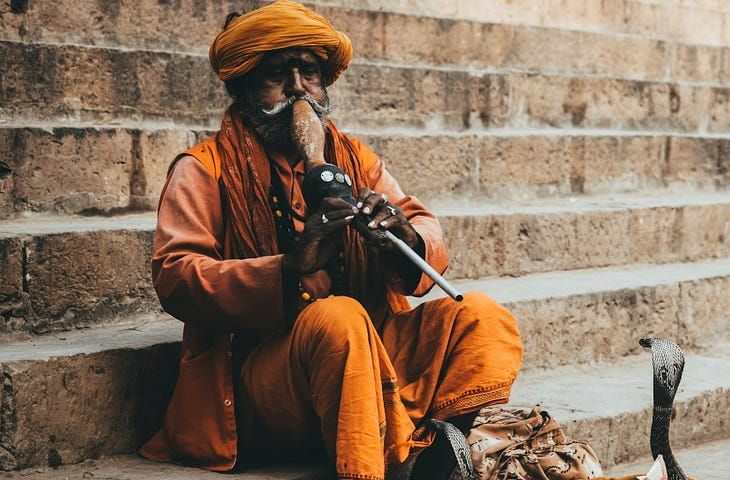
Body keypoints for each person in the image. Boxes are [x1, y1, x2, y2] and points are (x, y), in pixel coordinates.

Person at [138, 2, 523, 479]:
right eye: (278, 74)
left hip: (371, 360)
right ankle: (384, 464)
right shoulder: (204, 168)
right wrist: (291, 264)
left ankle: (445, 455)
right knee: (338, 318)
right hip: (269, 386)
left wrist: (399, 233)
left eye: (310, 73)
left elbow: (425, 230)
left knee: (483, 317)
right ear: (242, 87)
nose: (298, 88)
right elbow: (176, 276)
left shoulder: (354, 158)